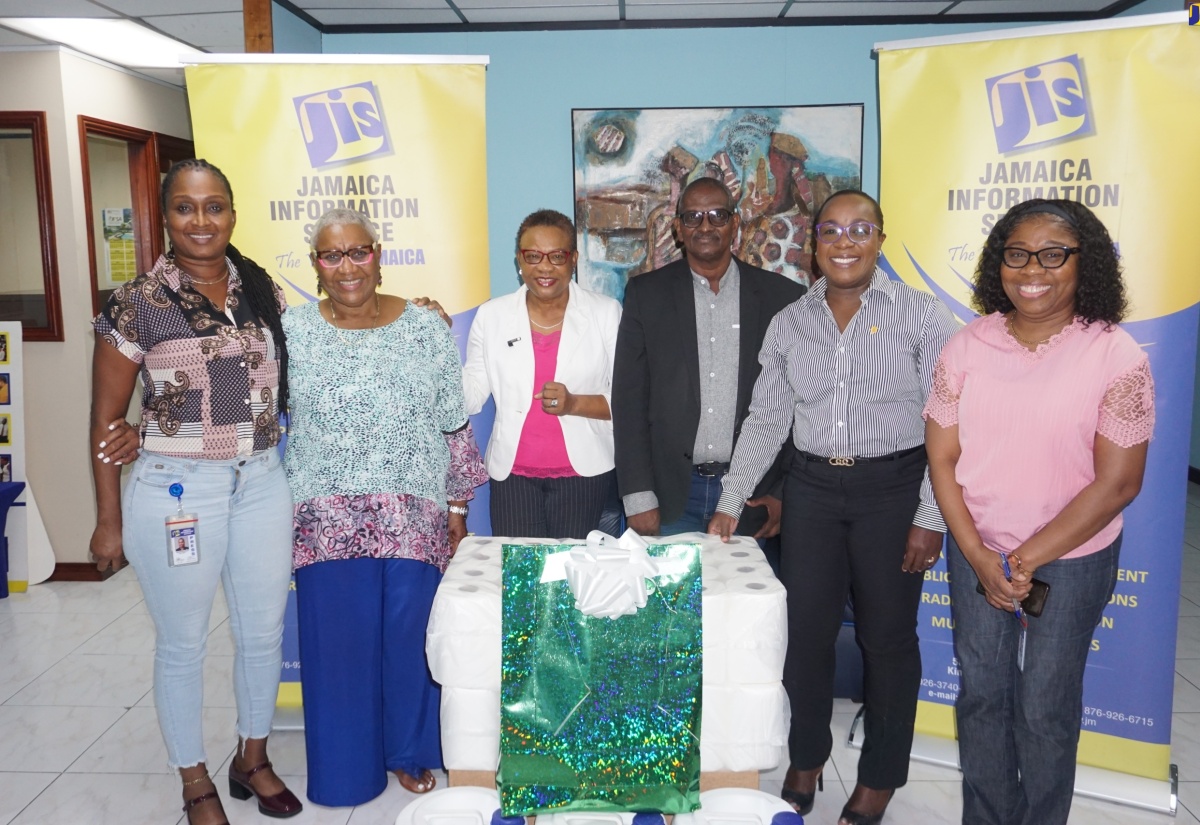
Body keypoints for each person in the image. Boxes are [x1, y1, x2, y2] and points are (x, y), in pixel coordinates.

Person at [709, 190, 957, 825]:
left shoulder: (921, 316)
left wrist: (930, 517)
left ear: (879, 238)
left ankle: (879, 779)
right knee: (806, 637)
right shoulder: (791, 323)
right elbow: (767, 418)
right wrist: (732, 499)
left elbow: (950, 423)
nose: (845, 242)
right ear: (814, 243)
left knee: (888, 641)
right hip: (814, 492)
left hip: (892, 490)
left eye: (861, 229)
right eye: (831, 231)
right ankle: (807, 757)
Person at [923, 199, 1154, 825]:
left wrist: (1022, 560)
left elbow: (1118, 484)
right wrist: (979, 556)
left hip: (1072, 561)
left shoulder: (1115, 353)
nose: (1034, 269)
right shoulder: (966, 347)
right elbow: (942, 460)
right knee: (983, 699)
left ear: (1087, 263)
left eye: (1054, 255)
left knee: (1045, 707)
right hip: (978, 551)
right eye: (1018, 254)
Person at [89, 158, 302, 825]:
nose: (202, 221)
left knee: (262, 632)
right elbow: (105, 421)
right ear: (167, 216)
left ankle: (253, 755)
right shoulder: (137, 302)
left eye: (214, 207)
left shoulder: (259, 287)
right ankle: (194, 780)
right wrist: (107, 521)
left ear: (232, 214)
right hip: (179, 491)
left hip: (263, 481)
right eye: (186, 207)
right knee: (183, 642)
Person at [284, 207, 488, 807]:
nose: (346, 266)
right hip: (326, 517)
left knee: (410, 639)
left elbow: (453, 421)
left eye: (358, 251)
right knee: (338, 645)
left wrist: (457, 507)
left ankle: (408, 751)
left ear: (378, 254)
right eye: (331, 254)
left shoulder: (425, 327)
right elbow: (261, 416)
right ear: (316, 266)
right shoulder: (290, 332)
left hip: (413, 513)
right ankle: (345, 767)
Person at [612, 177, 805, 545]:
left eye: (717, 215)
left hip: (753, 496)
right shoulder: (646, 295)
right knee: (671, 603)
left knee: (745, 604)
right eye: (693, 217)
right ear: (678, 230)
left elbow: (800, 404)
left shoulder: (783, 297)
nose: (705, 226)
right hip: (668, 497)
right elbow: (628, 401)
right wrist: (637, 496)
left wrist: (783, 493)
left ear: (736, 224)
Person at [463, 209, 620, 538]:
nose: (544, 267)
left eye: (557, 256)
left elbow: (627, 400)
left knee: (574, 582)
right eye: (533, 256)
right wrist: (435, 345)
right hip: (513, 477)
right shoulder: (492, 316)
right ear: (519, 259)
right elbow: (470, 396)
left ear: (573, 259)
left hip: (584, 475)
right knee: (524, 584)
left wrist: (574, 403)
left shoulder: (605, 313)